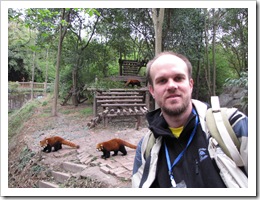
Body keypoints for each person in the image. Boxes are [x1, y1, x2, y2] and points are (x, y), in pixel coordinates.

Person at [132, 51, 248, 188]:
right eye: (162, 80)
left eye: (178, 78)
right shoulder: (146, 147)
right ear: (152, 91)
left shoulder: (234, 125)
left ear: (190, 84)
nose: (171, 86)